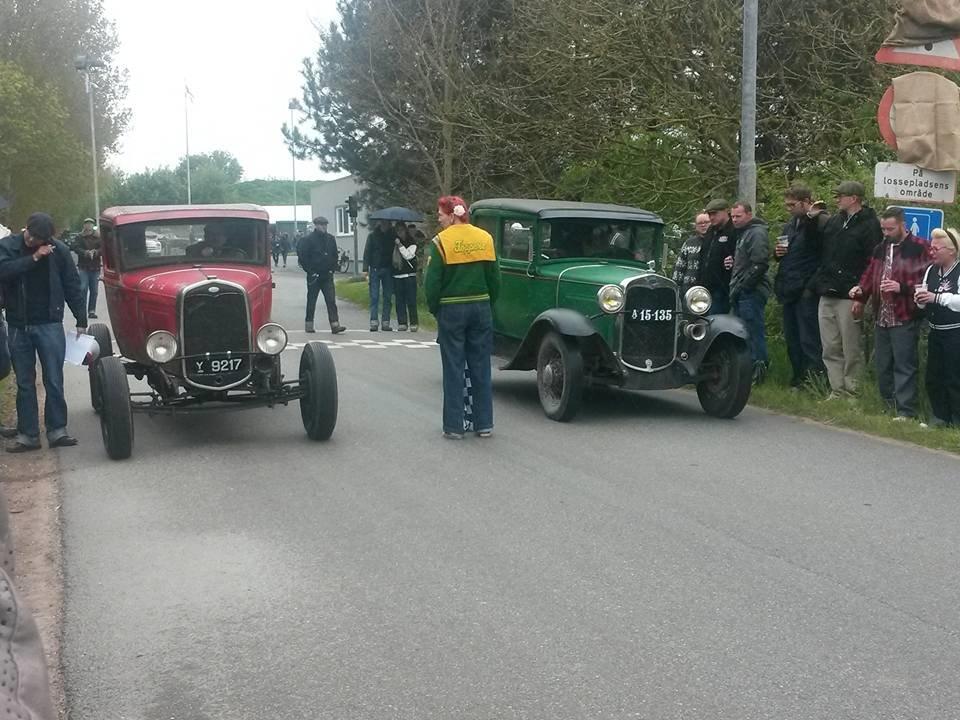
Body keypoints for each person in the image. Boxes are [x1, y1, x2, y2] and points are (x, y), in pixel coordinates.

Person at [0, 212, 87, 452]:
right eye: (30, 235)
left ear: (47, 238)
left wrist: (81, 317)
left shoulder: (58, 251)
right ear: (25, 228)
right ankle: (28, 435)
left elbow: (71, 283)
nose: (32, 241)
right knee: (25, 383)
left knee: (54, 379)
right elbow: (3, 271)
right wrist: (35, 257)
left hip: (49, 323)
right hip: (19, 324)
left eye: (38, 240)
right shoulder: (7, 246)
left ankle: (57, 430)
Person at [424, 195, 500, 439]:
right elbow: (495, 279)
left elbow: (432, 283)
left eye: (441, 214)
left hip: (452, 309)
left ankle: (455, 426)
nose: (439, 218)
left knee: (454, 367)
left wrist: (435, 308)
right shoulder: (485, 238)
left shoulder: (440, 242)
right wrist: (489, 303)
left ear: (452, 214)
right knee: (480, 366)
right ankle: (484, 423)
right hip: (481, 306)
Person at [849, 207, 930, 420]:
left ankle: (906, 410)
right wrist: (860, 292)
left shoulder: (920, 247)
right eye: (883, 229)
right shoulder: (881, 247)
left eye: (890, 229)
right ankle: (888, 405)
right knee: (882, 364)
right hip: (881, 314)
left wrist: (901, 287)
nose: (886, 233)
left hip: (904, 314)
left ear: (903, 225)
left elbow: (928, 282)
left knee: (904, 364)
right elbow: (869, 274)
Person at [808, 181, 880, 398]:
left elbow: (874, 262)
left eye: (841, 196)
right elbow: (816, 248)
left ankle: (853, 391)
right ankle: (837, 390)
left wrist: (863, 295)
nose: (836, 199)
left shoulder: (870, 225)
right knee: (830, 345)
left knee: (851, 347)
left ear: (854, 198)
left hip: (851, 293)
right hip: (828, 290)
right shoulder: (835, 221)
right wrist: (811, 221)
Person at [774, 184, 828, 387]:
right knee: (793, 338)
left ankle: (814, 380)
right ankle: (798, 378)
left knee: (809, 339)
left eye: (792, 205)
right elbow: (785, 253)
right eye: (787, 205)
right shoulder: (790, 225)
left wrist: (811, 287)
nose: (789, 209)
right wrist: (776, 253)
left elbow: (823, 255)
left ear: (806, 202)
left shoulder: (819, 222)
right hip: (789, 286)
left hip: (806, 287)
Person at [916, 228, 960, 427]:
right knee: (934, 376)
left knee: (954, 377)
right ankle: (940, 417)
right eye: (930, 248)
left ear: (951, 250)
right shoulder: (931, 270)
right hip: (936, 330)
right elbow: (924, 298)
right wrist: (920, 300)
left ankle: (956, 420)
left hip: (955, 332)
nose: (931, 252)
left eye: (936, 248)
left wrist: (938, 298)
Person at [729, 201, 772, 383]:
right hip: (741, 289)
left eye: (738, 216)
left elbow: (760, 264)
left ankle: (758, 372)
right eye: (732, 216)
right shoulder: (743, 234)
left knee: (753, 331)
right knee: (742, 332)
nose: (735, 220)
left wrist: (744, 286)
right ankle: (745, 372)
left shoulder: (756, 233)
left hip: (752, 291)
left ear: (748, 214)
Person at [298, 217, 345, 334]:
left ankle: (335, 324)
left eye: (325, 224)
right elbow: (303, 257)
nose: (324, 227)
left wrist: (332, 269)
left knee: (331, 300)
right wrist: (310, 271)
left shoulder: (330, 239)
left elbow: (334, 255)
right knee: (312, 300)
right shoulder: (308, 240)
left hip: (327, 275)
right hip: (314, 275)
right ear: (316, 225)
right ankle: (309, 324)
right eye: (321, 224)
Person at [699, 199, 736, 314]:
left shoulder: (733, 230)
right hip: (705, 286)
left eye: (714, 213)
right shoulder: (710, 231)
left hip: (723, 287)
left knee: (716, 321)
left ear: (726, 211)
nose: (711, 217)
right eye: (709, 214)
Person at [363, 220, 396, 331]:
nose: (385, 225)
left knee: (387, 296)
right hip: (375, 268)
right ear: (380, 223)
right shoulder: (372, 236)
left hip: (388, 268)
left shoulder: (392, 236)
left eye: (387, 223)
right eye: (384, 223)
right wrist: (365, 268)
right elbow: (367, 252)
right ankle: (374, 321)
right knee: (374, 296)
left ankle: (385, 322)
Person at [672, 212, 710, 295]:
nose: (703, 225)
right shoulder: (689, 243)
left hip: (709, 288)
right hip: (689, 288)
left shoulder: (716, 241)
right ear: (695, 226)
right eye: (700, 223)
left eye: (706, 222)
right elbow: (680, 266)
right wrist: (675, 287)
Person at [392, 222, 419, 332]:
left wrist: (400, 245)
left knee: (411, 300)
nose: (400, 233)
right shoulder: (393, 242)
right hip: (397, 275)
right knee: (399, 300)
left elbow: (408, 255)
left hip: (409, 275)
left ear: (405, 230)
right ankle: (402, 322)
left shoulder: (411, 242)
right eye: (397, 231)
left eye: (401, 230)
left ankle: (413, 322)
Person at [72, 218, 101, 319]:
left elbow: (103, 248)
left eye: (90, 224)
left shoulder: (98, 237)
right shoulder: (79, 237)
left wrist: (96, 252)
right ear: (84, 225)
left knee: (94, 290)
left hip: (96, 266)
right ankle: (82, 309)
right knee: (83, 288)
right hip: (83, 266)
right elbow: (75, 247)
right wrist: (85, 253)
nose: (88, 225)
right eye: (87, 224)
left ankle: (92, 310)